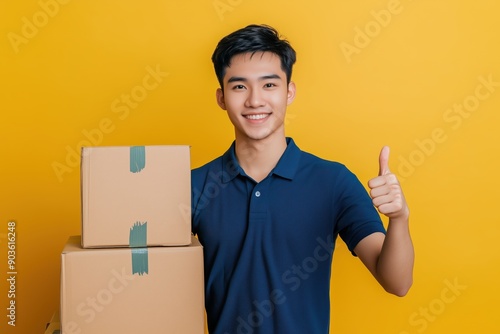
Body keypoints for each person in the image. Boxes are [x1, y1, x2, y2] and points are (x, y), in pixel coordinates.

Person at [191, 24, 414, 334]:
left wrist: (399, 219)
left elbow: (397, 282)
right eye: (239, 87)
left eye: (269, 85)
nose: (255, 100)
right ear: (221, 97)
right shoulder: (194, 186)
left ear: (289, 92)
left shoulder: (333, 182)